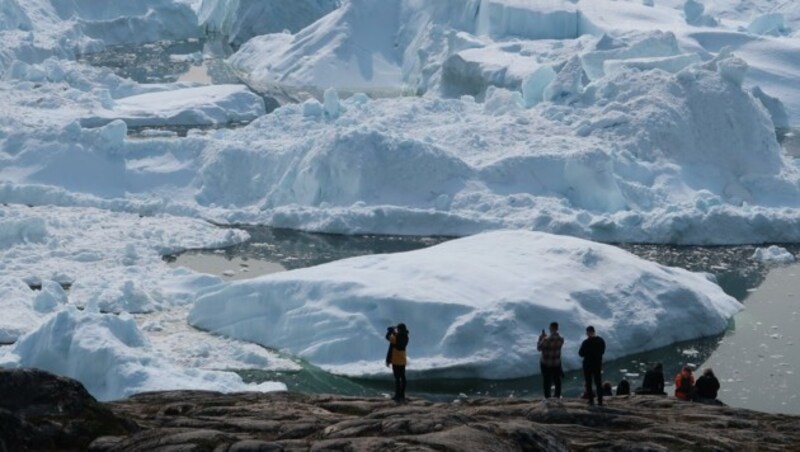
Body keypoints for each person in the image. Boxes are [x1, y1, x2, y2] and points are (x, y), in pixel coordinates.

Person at [579, 326, 606, 406]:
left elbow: (580, 353)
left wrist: (588, 353)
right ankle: (600, 400)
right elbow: (602, 351)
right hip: (597, 364)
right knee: (598, 382)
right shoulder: (600, 340)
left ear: (588, 333)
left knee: (589, 383)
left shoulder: (586, 342)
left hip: (587, 364)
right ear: (594, 331)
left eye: (587, 332)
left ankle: (591, 401)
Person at [537, 321, 564, 399]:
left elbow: (539, 348)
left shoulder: (546, 339)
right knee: (557, 380)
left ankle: (547, 397)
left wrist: (541, 338)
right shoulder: (561, 339)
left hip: (546, 363)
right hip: (556, 363)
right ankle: (557, 396)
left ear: (551, 328)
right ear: (557, 328)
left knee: (546, 381)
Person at [385, 323, 409, 402]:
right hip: (402, 360)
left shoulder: (396, 337)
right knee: (403, 377)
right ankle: (402, 395)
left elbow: (388, 337)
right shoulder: (406, 337)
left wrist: (390, 331)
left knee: (397, 378)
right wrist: (394, 332)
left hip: (396, 360)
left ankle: (397, 395)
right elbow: (396, 340)